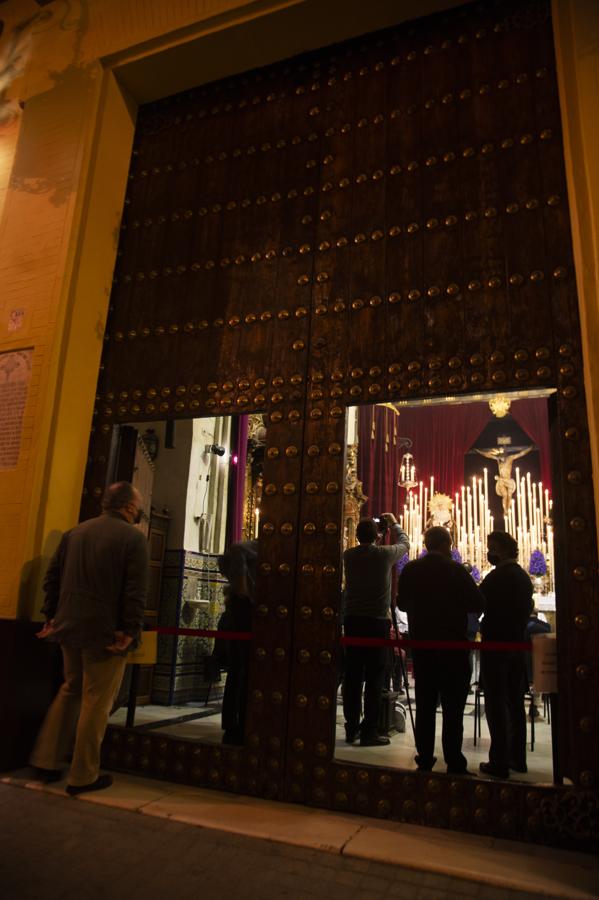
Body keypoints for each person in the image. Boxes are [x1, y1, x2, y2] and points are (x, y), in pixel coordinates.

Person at [30, 482, 148, 795]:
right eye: (137, 505)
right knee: (96, 702)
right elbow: (135, 590)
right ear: (128, 507)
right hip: (105, 633)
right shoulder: (133, 538)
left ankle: (45, 760)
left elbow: (52, 578)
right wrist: (130, 629)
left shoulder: (75, 533)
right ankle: (82, 775)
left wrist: (51, 616)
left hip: (69, 626)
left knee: (70, 689)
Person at [397, 526, 483, 774]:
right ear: (447, 544)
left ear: (425, 544)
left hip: (423, 647)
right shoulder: (455, 570)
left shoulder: (411, 569)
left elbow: (401, 603)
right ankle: (454, 760)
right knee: (453, 708)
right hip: (452, 647)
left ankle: (424, 757)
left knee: (424, 705)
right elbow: (478, 602)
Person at [342, 517, 409, 746]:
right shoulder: (383, 554)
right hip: (376, 623)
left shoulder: (348, 556)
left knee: (352, 677)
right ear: (377, 536)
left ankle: (351, 728)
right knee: (374, 678)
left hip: (352, 621)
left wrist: (379, 533)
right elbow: (405, 544)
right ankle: (369, 731)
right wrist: (394, 524)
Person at [478, 530, 534, 778]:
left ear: (500, 550)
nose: (489, 552)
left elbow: (478, 602)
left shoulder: (497, 577)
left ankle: (499, 761)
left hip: (496, 646)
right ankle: (517, 758)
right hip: (517, 645)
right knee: (514, 703)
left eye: (491, 547)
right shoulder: (523, 577)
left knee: (496, 703)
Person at [216, 539, 258, 745]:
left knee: (237, 671)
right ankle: (238, 725)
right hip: (246, 615)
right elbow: (241, 587)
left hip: (238, 615)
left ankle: (234, 724)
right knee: (243, 671)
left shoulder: (239, 549)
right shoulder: (245, 550)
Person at [474, 446, 534, 514]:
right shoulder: (498, 459)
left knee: (509, 495)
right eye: (500, 458)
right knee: (505, 495)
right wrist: (479, 452)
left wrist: (530, 448)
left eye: (502, 457)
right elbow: (488, 455)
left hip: (508, 480)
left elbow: (521, 453)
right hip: (501, 480)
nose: (501, 459)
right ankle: (505, 510)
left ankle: (508, 509)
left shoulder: (510, 458)